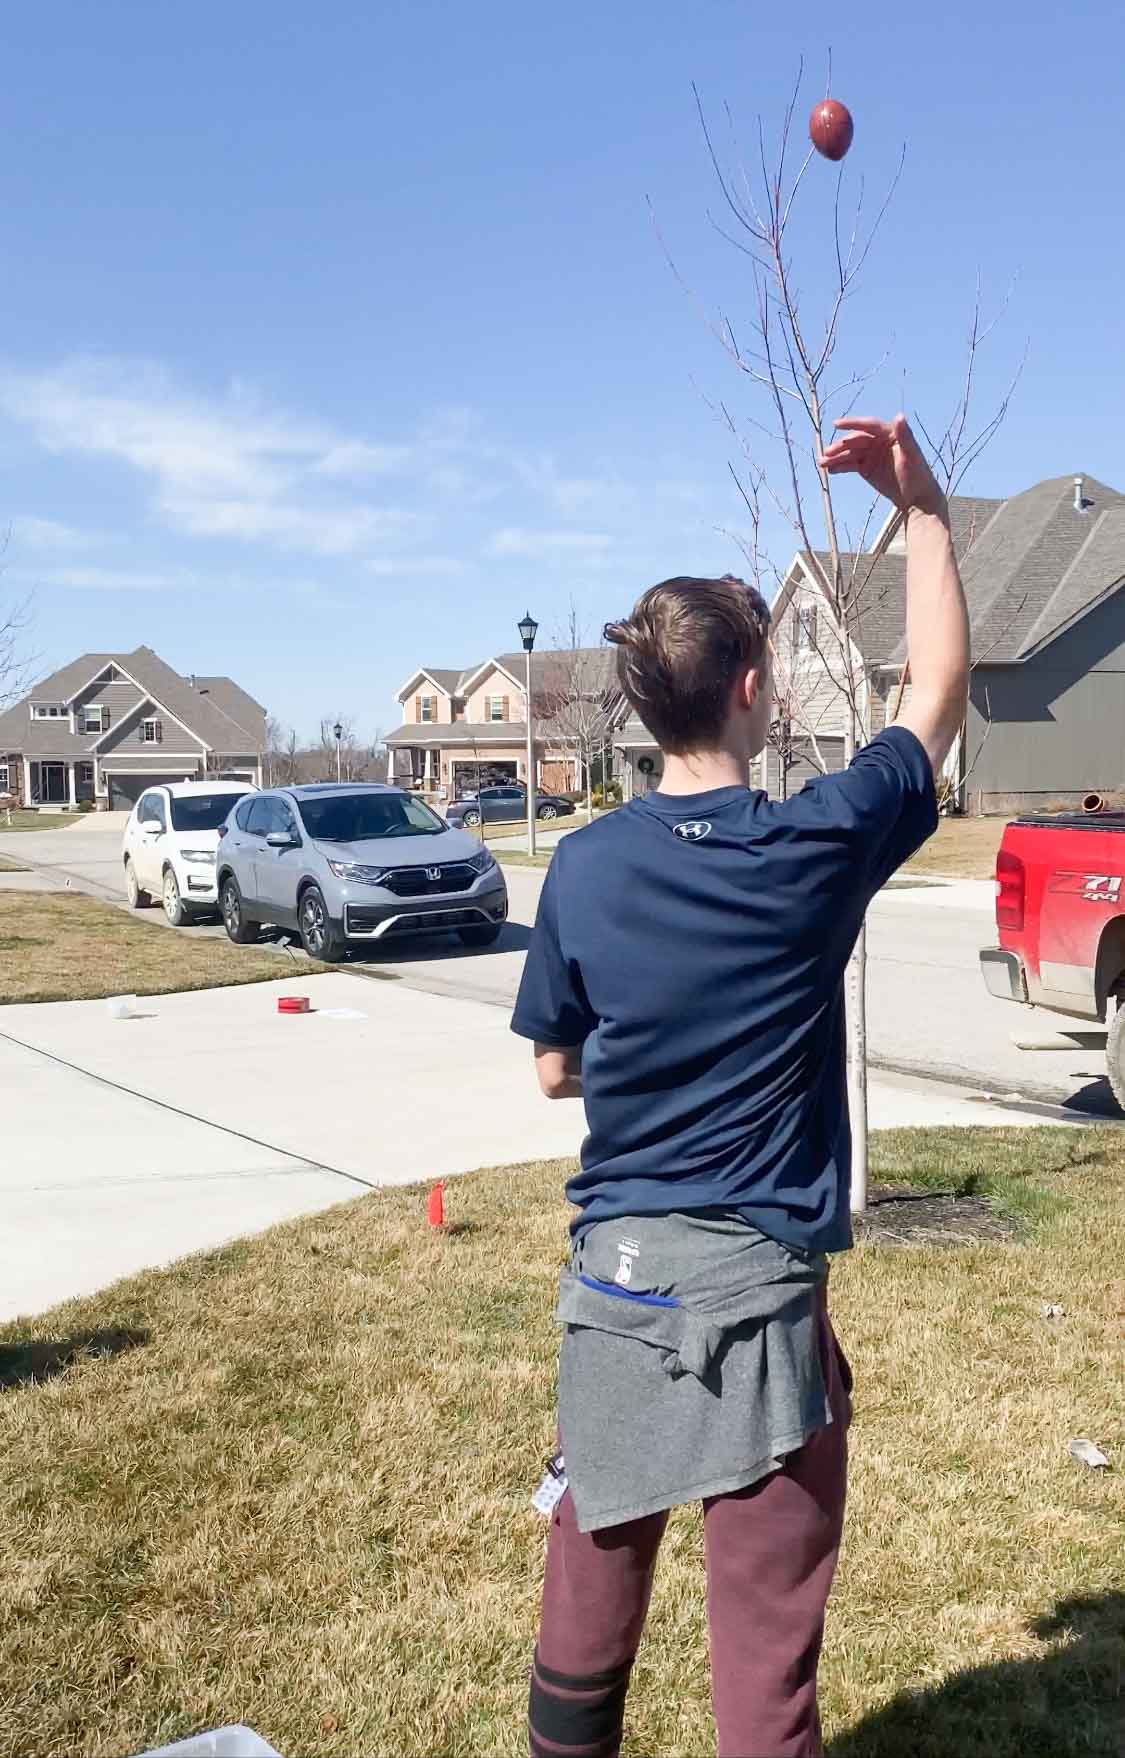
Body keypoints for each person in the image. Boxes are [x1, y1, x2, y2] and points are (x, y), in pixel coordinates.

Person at [510, 415, 969, 1758]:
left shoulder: (583, 868)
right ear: (755, 688)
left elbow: (553, 1062)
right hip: (759, 1312)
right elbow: (930, 693)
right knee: (761, 1674)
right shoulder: (812, 845)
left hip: (613, 1291)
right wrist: (922, 504)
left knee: (581, 1635)